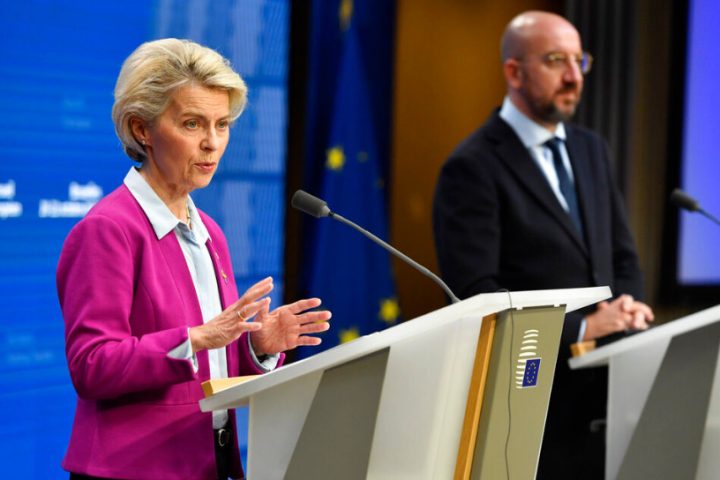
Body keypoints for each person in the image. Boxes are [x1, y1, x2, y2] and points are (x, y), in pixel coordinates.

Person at [56, 38, 331, 480]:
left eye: (222, 125)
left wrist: (256, 347)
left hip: (209, 462)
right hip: (134, 470)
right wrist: (197, 337)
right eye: (192, 124)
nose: (212, 143)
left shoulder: (210, 232)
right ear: (142, 129)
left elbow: (206, 366)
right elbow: (92, 365)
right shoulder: (108, 229)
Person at [432, 11, 654, 480]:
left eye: (579, 61)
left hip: (612, 392)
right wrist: (582, 327)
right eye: (556, 61)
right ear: (514, 72)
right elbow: (475, 296)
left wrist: (629, 306)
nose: (574, 76)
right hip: (534, 404)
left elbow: (621, 256)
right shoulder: (472, 166)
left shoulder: (591, 149)